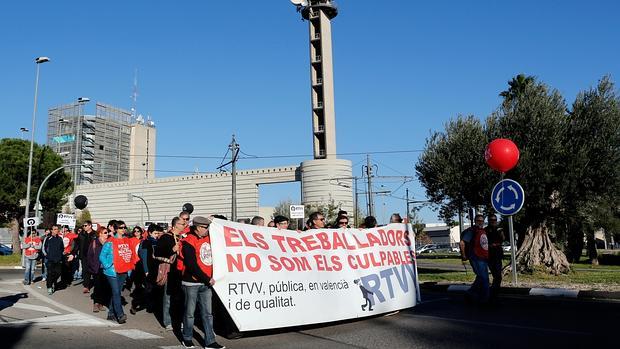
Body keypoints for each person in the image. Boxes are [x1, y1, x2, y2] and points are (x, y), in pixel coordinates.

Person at [178, 216, 225, 349]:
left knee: (207, 314)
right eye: (205, 227)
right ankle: (187, 338)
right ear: (198, 227)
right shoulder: (188, 241)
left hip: (206, 283)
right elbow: (191, 265)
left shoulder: (210, 239)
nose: (207, 230)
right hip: (191, 283)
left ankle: (210, 341)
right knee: (190, 313)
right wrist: (207, 279)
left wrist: (216, 221)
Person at [99, 221, 139, 324]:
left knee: (116, 293)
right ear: (116, 229)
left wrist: (131, 266)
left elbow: (131, 254)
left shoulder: (127, 241)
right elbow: (102, 256)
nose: (123, 229)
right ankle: (120, 315)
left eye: (124, 227)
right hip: (112, 271)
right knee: (116, 292)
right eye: (121, 228)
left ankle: (111, 313)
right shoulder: (110, 241)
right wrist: (109, 265)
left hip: (124, 270)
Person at [155, 216, 185, 330]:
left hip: (180, 271)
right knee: (168, 297)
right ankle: (167, 321)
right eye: (182, 224)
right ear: (175, 225)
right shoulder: (165, 237)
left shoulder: (182, 237)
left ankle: (178, 320)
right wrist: (171, 250)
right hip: (170, 271)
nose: (184, 225)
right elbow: (157, 252)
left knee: (179, 297)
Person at [459, 214, 490, 304]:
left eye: (482, 221)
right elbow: (462, 243)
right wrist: (464, 255)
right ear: (475, 221)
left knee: (481, 277)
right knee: (484, 279)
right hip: (476, 257)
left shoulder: (482, 230)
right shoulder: (471, 231)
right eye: (478, 221)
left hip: (483, 258)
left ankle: (470, 293)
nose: (480, 222)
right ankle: (485, 299)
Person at [87, 227, 110, 313]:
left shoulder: (108, 243)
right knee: (97, 286)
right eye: (105, 232)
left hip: (106, 268)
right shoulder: (94, 243)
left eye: (107, 232)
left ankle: (101, 303)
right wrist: (92, 267)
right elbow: (89, 256)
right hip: (97, 268)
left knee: (105, 286)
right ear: (100, 233)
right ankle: (96, 303)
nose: (106, 234)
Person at [486, 214, 504, 301]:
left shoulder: (499, 229)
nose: (493, 221)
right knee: (495, 274)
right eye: (491, 220)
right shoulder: (485, 230)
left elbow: (503, 239)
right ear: (488, 221)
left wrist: (500, 232)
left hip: (498, 254)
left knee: (498, 275)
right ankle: (493, 292)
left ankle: (494, 292)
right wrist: (490, 245)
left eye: (494, 220)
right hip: (489, 255)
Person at [44, 225, 65, 295]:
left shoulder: (60, 239)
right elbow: (44, 248)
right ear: (52, 230)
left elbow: (62, 248)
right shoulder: (48, 238)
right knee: (50, 273)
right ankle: (49, 287)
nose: (57, 230)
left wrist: (61, 254)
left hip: (58, 259)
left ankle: (51, 282)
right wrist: (47, 255)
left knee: (58, 273)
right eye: (55, 229)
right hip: (50, 259)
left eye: (57, 229)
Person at [78, 221, 97, 293]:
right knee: (85, 271)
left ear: (90, 226)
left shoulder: (95, 234)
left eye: (85, 225)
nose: (84, 227)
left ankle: (97, 285)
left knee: (94, 270)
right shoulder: (81, 234)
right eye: (83, 226)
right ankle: (86, 286)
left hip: (93, 256)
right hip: (84, 255)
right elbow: (77, 244)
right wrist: (73, 253)